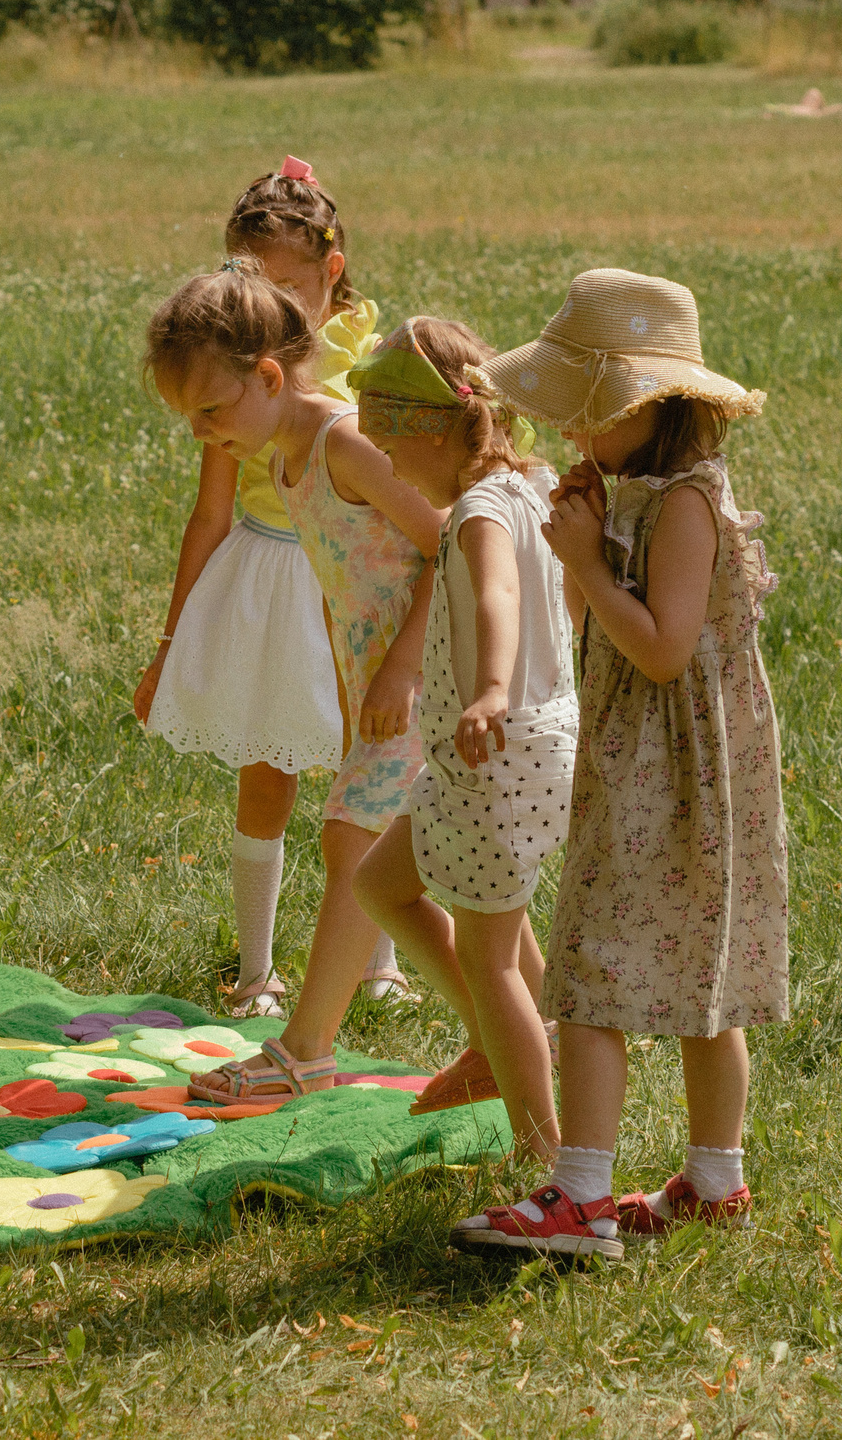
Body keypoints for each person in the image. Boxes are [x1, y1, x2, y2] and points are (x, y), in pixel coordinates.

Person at [451, 269, 786, 1261]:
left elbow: (663, 648)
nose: (567, 435)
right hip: (653, 765)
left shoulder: (684, 507)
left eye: (581, 414)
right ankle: (712, 1183)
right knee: (691, 975)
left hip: (669, 776)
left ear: (637, 409)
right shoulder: (642, 493)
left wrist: (587, 563)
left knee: (595, 976)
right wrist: (589, 540)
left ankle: (579, 1197)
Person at [144, 264, 443, 1109]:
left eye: (211, 410)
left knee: (355, 844)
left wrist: (404, 665)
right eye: (188, 419)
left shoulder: (341, 442)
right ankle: (526, 1023)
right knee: (448, 872)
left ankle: (306, 1049)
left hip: (432, 676)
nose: (202, 433)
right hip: (383, 684)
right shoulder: (281, 459)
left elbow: (453, 541)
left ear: (269, 376)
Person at [134, 157, 402, 1018]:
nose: (272, 311)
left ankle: (379, 959)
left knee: (376, 768)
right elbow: (208, 516)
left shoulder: (369, 357)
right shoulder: (228, 381)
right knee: (269, 771)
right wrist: (169, 646)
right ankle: (256, 968)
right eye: (253, 285)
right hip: (270, 582)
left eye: (290, 288)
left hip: (351, 581)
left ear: (331, 271)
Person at [346, 319, 577, 1159]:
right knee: (382, 882)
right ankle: (516, 1043)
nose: (384, 466)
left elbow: (500, 604)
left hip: (494, 754)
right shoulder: (531, 485)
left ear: (437, 428)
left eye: (388, 446)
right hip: (500, 751)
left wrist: (489, 690)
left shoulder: (479, 512)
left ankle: (547, 1151)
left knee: (491, 955)